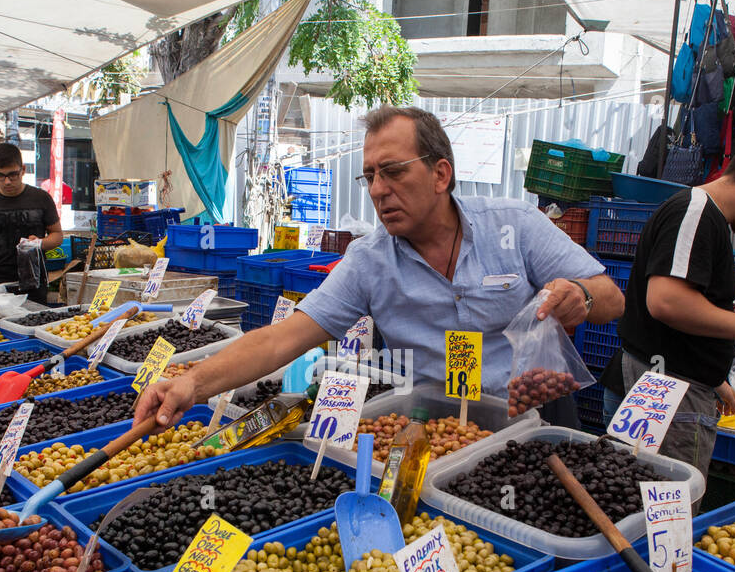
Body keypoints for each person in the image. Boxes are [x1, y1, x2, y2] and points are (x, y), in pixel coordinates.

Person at [133, 104, 624, 430]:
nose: (377, 190)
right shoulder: (369, 261)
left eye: (392, 172)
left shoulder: (514, 225)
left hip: (537, 412)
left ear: (440, 173)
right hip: (442, 426)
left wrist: (578, 298)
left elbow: (611, 297)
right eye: (369, 176)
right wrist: (191, 383)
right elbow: (282, 338)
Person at [600, 135, 735, 471]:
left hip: (670, 385)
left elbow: (683, 315)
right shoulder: (695, 212)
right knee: (663, 513)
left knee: (636, 502)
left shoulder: (705, 217)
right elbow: (667, 301)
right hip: (664, 398)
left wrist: (714, 376)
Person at [0, 142, 62, 304]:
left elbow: (57, 235)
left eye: (13, 175)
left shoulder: (41, 198)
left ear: (23, 170)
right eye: (0, 175)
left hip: (34, 282)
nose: (7, 182)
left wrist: (40, 243)